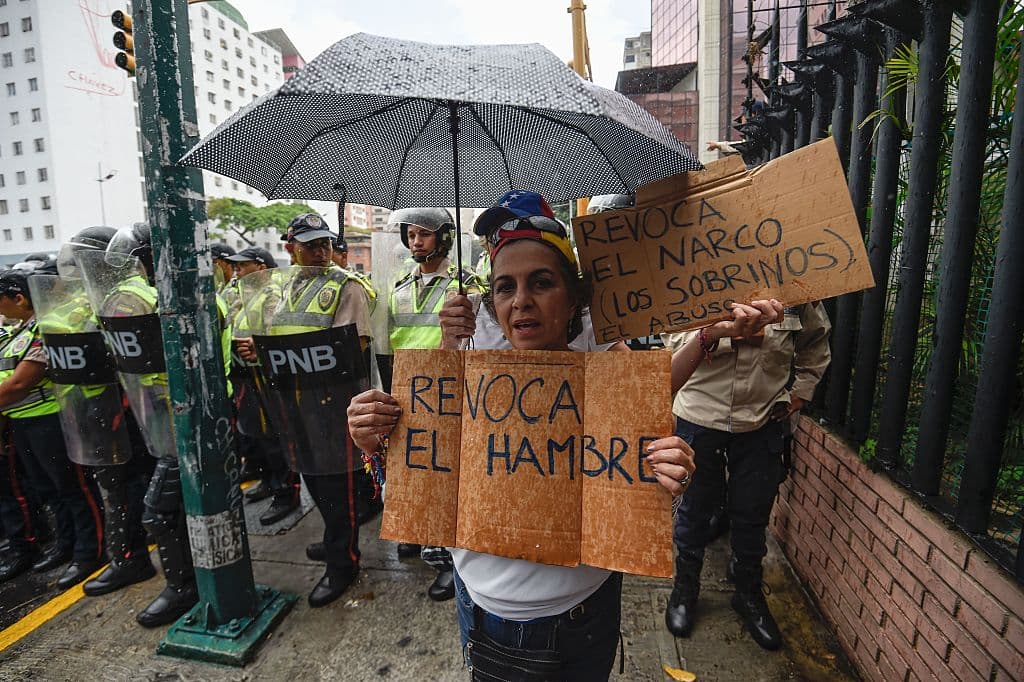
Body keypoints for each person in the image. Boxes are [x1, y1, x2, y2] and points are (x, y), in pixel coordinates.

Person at [350, 190, 781, 679]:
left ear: (574, 296)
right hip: (483, 611)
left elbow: (643, 402)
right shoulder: (461, 362)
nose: (522, 303)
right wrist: (376, 444)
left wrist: (664, 470)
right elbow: (421, 489)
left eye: (541, 282)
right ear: (490, 298)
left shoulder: (600, 364)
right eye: (505, 287)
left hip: (585, 611)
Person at [661, 302, 831, 650]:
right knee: (693, 510)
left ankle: (748, 593)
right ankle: (685, 587)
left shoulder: (798, 283)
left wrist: (801, 391)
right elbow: (671, 342)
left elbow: (815, 340)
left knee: (752, 514)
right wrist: (716, 334)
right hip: (699, 413)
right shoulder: (699, 278)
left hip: (763, 417)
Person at [237, 213, 373, 607]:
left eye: (325, 243)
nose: (320, 250)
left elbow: (355, 346)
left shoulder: (345, 287)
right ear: (289, 247)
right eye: (311, 243)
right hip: (293, 403)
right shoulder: (277, 291)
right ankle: (334, 540)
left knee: (339, 485)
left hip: (333, 404)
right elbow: (273, 341)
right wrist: (257, 351)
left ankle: (343, 563)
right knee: (312, 478)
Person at [39, 226, 157, 596]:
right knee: (113, 485)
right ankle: (126, 555)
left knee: (127, 484)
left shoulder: (124, 298)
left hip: (123, 407)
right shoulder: (88, 300)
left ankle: (130, 558)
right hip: (93, 409)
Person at [385, 206, 484, 602]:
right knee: (413, 468)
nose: (415, 241)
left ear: (443, 238)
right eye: (410, 234)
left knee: (446, 474)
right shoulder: (398, 286)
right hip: (407, 392)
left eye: (424, 234)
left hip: (449, 393)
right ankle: (416, 531)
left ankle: (446, 560)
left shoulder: (468, 286)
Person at [0, 269, 105, 589]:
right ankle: (67, 543)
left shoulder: (45, 329)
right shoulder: (17, 332)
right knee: (49, 490)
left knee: (74, 488)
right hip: (22, 423)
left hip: (50, 420)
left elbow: (20, 382)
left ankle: (92, 551)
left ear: (20, 298)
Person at [223, 247, 300, 526]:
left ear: (259, 267)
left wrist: (257, 344)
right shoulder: (246, 297)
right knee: (257, 433)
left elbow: (274, 331)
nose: (237, 272)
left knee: (277, 436)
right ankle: (269, 481)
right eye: (235, 268)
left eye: (242, 267)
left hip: (266, 374)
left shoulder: (271, 296)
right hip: (246, 374)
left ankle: (286, 492)